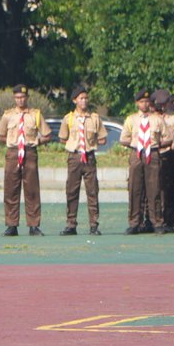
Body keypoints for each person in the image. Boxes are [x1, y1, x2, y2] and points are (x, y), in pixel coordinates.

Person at [0, 84, 51, 236]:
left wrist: (35, 142)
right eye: (17, 98)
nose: (20, 100)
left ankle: (34, 225)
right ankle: (12, 225)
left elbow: (47, 135)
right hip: (13, 153)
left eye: (23, 97)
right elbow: (0, 134)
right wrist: (12, 141)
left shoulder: (35, 115)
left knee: (32, 190)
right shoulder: (8, 115)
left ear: (27, 98)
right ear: (14, 98)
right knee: (11, 189)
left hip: (30, 152)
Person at [119, 89, 168, 234]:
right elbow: (124, 138)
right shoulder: (131, 119)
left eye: (147, 101)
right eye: (142, 102)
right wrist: (137, 145)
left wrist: (156, 145)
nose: (145, 104)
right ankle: (135, 222)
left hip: (152, 154)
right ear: (136, 103)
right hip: (137, 153)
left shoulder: (157, 119)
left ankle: (156, 222)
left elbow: (168, 137)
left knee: (154, 189)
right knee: (135, 189)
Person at [58, 86, 105, 235]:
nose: (84, 101)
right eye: (80, 98)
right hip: (74, 156)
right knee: (72, 191)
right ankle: (71, 224)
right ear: (74, 101)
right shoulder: (68, 118)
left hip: (89, 156)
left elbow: (103, 138)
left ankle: (93, 224)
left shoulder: (95, 118)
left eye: (86, 98)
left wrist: (92, 142)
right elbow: (62, 138)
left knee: (92, 191)